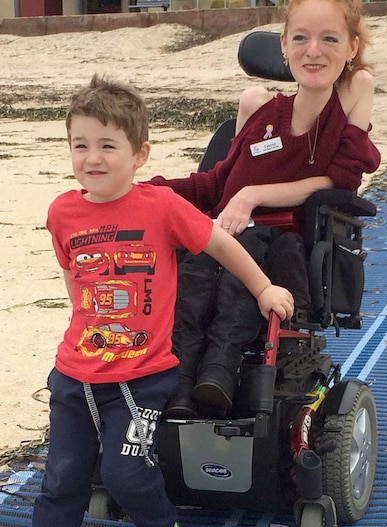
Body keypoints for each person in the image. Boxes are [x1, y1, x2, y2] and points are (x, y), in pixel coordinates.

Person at [35, 74, 294, 527]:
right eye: (80, 145)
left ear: (140, 154)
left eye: (107, 145)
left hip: (142, 379)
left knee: (126, 474)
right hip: (74, 376)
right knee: (61, 479)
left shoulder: (160, 206)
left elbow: (221, 243)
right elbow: (71, 274)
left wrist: (263, 288)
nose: (92, 158)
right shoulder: (62, 212)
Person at [149, 0, 381, 418]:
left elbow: (342, 182)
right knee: (195, 259)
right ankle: (180, 384)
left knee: (247, 249)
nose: (313, 50)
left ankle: (217, 370)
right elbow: (215, 185)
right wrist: (147, 190)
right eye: (301, 38)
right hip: (223, 233)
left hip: (281, 243)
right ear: (283, 46)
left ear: (351, 47)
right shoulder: (260, 111)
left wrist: (253, 196)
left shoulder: (343, 109)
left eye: (329, 39)